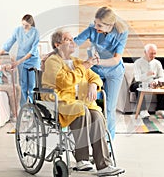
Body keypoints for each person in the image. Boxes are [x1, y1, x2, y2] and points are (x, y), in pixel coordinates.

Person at [41, 30, 125, 176]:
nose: (73, 41)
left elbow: (95, 77)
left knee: (97, 115)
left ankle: (104, 164)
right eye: (68, 39)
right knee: (81, 109)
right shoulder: (52, 61)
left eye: (72, 38)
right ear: (58, 44)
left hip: (77, 101)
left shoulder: (75, 61)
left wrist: (93, 84)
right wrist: (85, 66)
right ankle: (82, 159)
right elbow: (64, 82)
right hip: (59, 100)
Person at [74, 6, 129, 140]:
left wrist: (98, 62)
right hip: (95, 70)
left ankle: (108, 142)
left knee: (109, 108)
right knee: (90, 103)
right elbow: (75, 42)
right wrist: (54, 53)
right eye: (95, 22)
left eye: (99, 25)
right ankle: (90, 137)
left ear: (109, 25)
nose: (95, 26)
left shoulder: (121, 32)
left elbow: (116, 59)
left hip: (113, 71)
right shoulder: (93, 28)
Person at [0, 14, 40, 107]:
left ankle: (32, 109)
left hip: (32, 59)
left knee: (32, 86)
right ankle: (24, 108)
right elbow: (10, 41)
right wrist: (2, 50)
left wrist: (19, 61)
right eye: (23, 25)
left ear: (31, 24)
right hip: (21, 59)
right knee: (23, 85)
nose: (24, 27)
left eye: (26, 25)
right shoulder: (17, 30)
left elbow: (32, 51)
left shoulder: (35, 32)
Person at [130, 43, 164, 118]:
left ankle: (160, 109)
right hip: (138, 83)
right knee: (139, 85)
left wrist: (156, 82)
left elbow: (162, 77)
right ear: (145, 52)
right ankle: (143, 110)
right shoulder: (138, 63)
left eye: (154, 53)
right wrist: (147, 75)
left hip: (153, 83)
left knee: (162, 84)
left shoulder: (157, 63)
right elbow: (137, 78)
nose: (153, 56)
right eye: (151, 53)